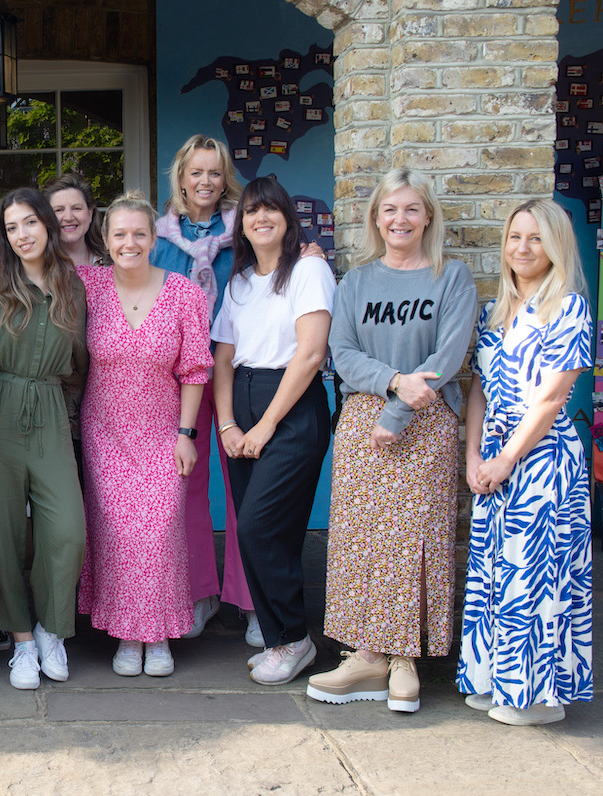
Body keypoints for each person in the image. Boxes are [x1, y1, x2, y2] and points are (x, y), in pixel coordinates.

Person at [307, 168, 477, 714]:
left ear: (427, 215)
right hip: (363, 419)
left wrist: (401, 406)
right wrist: (392, 382)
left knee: (412, 538)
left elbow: (448, 359)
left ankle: (403, 658)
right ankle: (365, 654)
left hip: (425, 423)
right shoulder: (356, 282)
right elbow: (344, 353)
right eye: (389, 210)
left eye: (410, 209)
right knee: (360, 539)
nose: (399, 220)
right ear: (375, 218)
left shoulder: (452, 279)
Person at [457, 199, 593, 726]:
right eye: (515, 237)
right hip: (494, 458)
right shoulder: (499, 308)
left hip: (542, 458)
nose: (523, 248)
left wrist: (509, 458)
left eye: (535, 238)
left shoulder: (569, 307)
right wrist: (474, 456)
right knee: (496, 568)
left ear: (555, 244)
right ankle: (496, 680)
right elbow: (477, 391)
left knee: (536, 574)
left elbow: (552, 398)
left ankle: (537, 697)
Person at [77, 191, 212, 677]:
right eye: (120, 234)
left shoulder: (183, 293)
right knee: (115, 533)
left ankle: (158, 635)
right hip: (105, 431)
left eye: (139, 233)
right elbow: (35, 271)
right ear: (106, 240)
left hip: (163, 432)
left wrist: (186, 434)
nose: (129, 242)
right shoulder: (88, 285)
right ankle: (126, 637)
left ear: (154, 239)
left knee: (158, 532)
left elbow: (196, 370)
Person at [211, 177, 335, 686]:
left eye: (270, 210)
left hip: (292, 408)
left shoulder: (307, 269)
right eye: (250, 212)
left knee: (259, 527)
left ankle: (295, 639)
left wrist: (263, 426)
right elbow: (221, 357)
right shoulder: (240, 279)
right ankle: (281, 636)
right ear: (241, 224)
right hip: (241, 401)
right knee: (262, 533)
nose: (260, 219)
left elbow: (309, 354)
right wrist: (227, 424)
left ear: (287, 217)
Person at [0, 188, 88, 690]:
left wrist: (72, 415)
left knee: (67, 529)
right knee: (3, 531)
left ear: (48, 225)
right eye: (12, 228)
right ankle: (21, 641)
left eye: (30, 223)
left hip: (52, 410)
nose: (22, 234)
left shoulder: (74, 289)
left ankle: (52, 629)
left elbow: (81, 363)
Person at [152, 134, 257, 644]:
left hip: (237, 368)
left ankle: (252, 596)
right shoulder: (157, 238)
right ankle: (199, 593)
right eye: (196, 172)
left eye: (214, 173)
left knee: (244, 485)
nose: (206, 183)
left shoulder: (247, 230)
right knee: (185, 484)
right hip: (180, 378)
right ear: (181, 176)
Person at [43, 172, 109, 267]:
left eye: (76, 208)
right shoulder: (40, 266)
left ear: (90, 214)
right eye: (59, 210)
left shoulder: (112, 262)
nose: (68, 217)